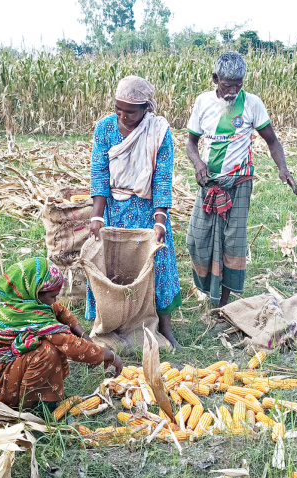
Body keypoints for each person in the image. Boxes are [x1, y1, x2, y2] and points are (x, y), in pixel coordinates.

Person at [185, 52, 297, 307]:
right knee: (195, 240)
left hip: (238, 183)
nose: (233, 91)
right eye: (227, 85)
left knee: (232, 244)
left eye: (239, 85)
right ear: (215, 79)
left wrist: (283, 168)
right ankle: (207, 289)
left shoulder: (252, 103)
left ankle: (223, 303)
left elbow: (272, 140)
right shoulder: (203, 102)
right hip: (209, 184)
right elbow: (191, 143)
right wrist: (198, 163)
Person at [87, 75, 183, 350]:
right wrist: (97, 216)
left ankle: (164, 327)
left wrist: (160, 220)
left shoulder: (159, 133)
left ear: (146, 109)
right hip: (115, 209)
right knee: (112, 268)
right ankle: (109, 324)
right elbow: (99, 173)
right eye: (118, 109)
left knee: (159, 262)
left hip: (146, 209)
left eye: (130, 111)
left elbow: (162, 178)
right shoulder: (104, 129)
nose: (123, 116)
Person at [0, 257, 122, 411]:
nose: (55, 300)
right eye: (52, 296)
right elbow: (70, 345)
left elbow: (59, 310)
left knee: (46, 344)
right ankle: (32, 408)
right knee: (47, 351)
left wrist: (86, 338)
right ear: (34, 291)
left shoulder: (17, 302)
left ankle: (34, 396)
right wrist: (109, 355)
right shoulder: (31, 318)